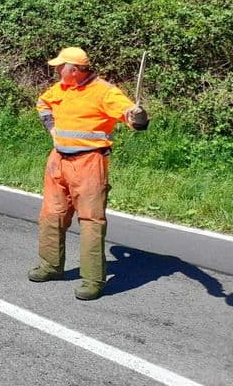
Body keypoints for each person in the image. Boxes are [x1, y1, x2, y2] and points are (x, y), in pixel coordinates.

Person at [29, 47, 149, 300]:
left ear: (74, 69)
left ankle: (93, 281)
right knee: (52, 215)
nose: (57, 70)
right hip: (58, 160)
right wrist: (51, 128)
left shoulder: (104, 91)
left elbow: (132, 117)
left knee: (91, 222)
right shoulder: (61, 88)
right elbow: (43, 104)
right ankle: (51, 266)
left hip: (89, 163)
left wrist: (138, 117)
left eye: (61, 66)